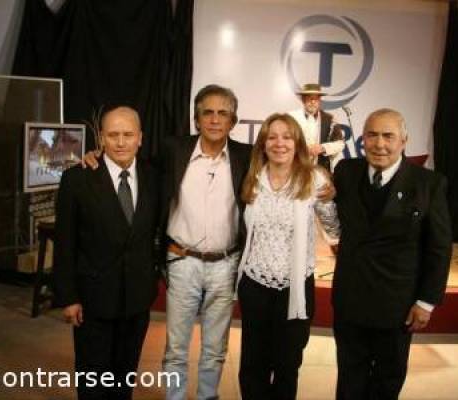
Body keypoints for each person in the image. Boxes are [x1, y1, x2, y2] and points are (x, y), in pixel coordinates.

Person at [332, 108, 452, 400]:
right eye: (372, 135)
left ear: (404, 140)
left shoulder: (429, 183)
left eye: (388, 136)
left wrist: (426, 302)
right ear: (362, 138)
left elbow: (439, 247)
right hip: (351, 300)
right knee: (349, 377)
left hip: (397, 305)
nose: (379, 143)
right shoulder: (345, 172)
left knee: (387, 381)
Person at [53, 105, 159, 399]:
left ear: (140, 137)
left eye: (128, 134)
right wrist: (69, 297)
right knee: (92, 378)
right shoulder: (77, 179)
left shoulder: (154, 177)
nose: (121, 142)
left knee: (124, 377)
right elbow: (65, 243)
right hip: (92, 299)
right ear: (101, 138)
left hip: (137, 298)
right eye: (113, 135)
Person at [235, 113, 339, 400]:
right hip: (255, 284)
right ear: (263, 143)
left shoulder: (314, 178)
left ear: (298, 143)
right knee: (253, 364)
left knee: (287, 364)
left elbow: (333, 230)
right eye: (272, 136)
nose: (279, 143)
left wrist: (329, 201)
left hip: (296, 289)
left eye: (287, 136)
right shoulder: (252, 176)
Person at [159, 84, 252, 400]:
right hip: (182, 261)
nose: (214, 119)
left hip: (225, 265)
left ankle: (207, 396)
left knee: (215, 348)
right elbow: (135, 167)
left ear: (233, 121)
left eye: (222, 113)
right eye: (207, 112)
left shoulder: (246, 156)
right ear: (196, 119)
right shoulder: (173, 150)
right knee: (175, 347)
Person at [289, 83, 344, 172]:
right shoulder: (291, 118)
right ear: (303, 99)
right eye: (309, 98)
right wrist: (301, 149)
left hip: (321, 171)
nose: (313, 101)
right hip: (296, 169)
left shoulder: (329, 118)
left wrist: (322, 148)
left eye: (316, 98)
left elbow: (340, 143)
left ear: (320, 100)